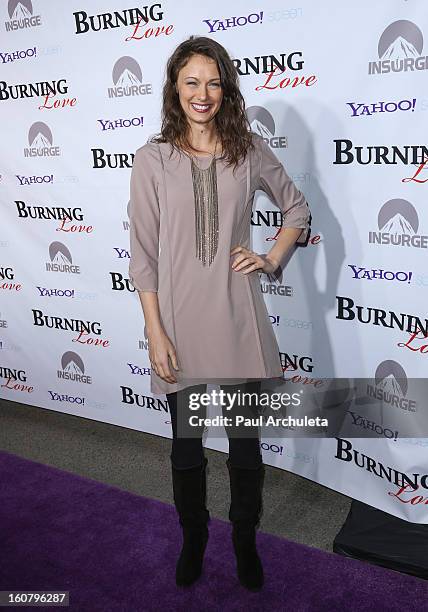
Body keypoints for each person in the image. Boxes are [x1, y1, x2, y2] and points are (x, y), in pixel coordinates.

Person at [128, 35, 311, 591]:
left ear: (225, 88)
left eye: (212, 82)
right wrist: (154, 331)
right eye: (191, 82)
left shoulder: (247, 150)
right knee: (186, 449)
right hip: (179, 325)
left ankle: (244, 540)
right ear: (174, 89)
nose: (202, 94)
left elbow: (296, 209)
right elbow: (144, 254)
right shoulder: (152, 159)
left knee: (244, 448)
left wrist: (270, 257)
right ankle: (194, 537)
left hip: (237, 318)